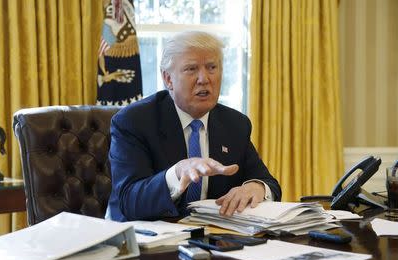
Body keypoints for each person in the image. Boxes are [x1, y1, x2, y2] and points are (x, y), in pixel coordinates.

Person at [106, 31, 281, 221]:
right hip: (146, 239)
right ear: (168, 79)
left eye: (212, 67)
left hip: (211, 239)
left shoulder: (235, 124)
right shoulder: (134, 121)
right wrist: (178, 172)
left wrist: (255, 187)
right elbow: (129, 201)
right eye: (191, 69)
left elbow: (269, 183)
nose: (204, 79)